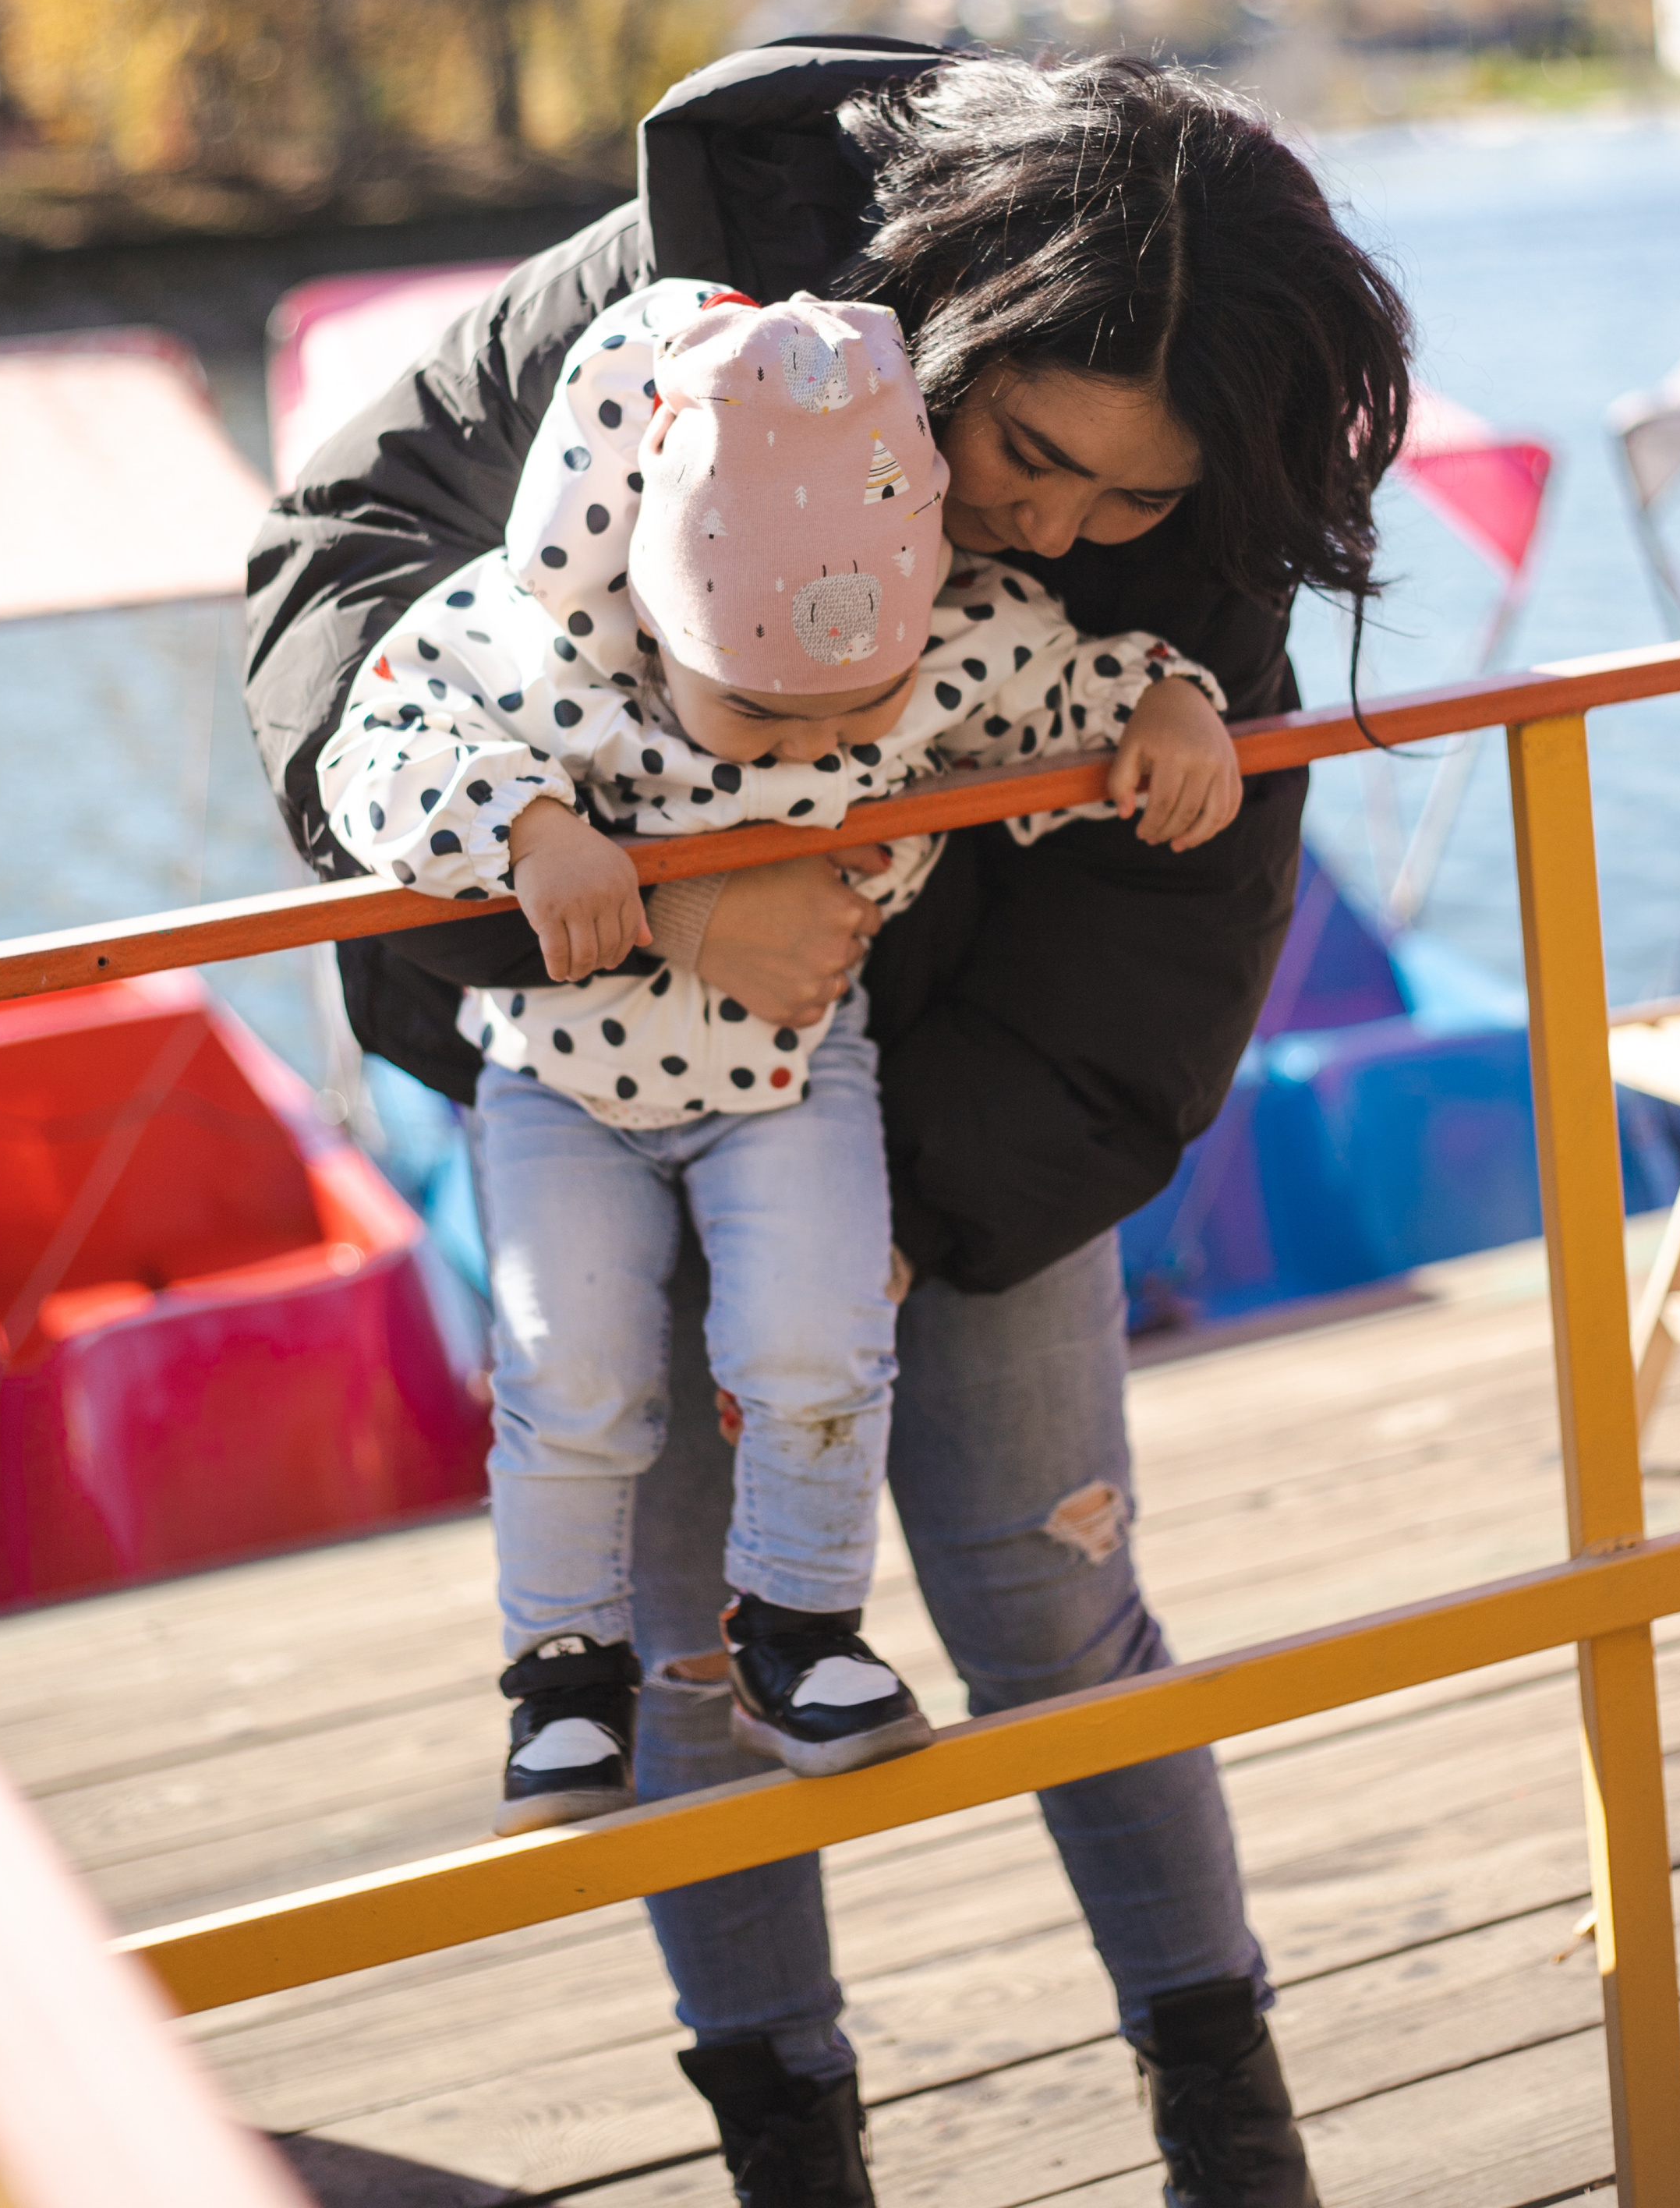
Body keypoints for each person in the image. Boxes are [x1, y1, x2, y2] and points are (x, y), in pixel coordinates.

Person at [245, 44, 1411, 2208]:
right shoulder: (674, 303)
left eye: (1123, 506)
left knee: (1045, 1594)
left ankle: (1231, 2127)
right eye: (1029, 455)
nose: (1057, 526)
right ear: (938, 323)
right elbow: (340, 570)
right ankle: (795, 2149)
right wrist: (641, 897)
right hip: (605, 1082)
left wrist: (916, 1209)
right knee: (689, 1669)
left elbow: (1176, 925)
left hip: (957, 1098)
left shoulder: (1196, 503)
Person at [316, 277, 1237, 1831]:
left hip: (795, 1069)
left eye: (852, 712)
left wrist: (1167, 704)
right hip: (562, 1082)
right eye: (751, 711)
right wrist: (538, 831)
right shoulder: (538, 643)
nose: (811, 753)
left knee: (820, 1344)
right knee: (573, 1372)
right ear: (663, 614)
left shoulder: (943, 622)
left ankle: (801, 1632)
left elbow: (1053, 684)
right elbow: (378, 742)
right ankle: (557, 1673)